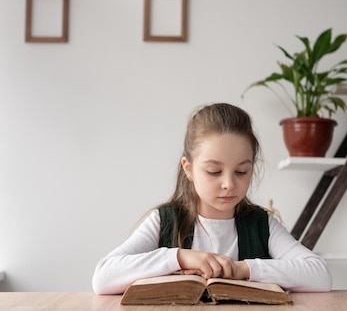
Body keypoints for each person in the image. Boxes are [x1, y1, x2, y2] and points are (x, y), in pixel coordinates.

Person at [92, 103, 332, 294]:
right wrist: (180, 257)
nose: (229, 184)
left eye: (241, 171)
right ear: (188, 168)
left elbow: (319, 274)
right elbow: (103, 277)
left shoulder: (262, 224)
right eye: (214, 172)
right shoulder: (164, 220)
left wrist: (242, 269)